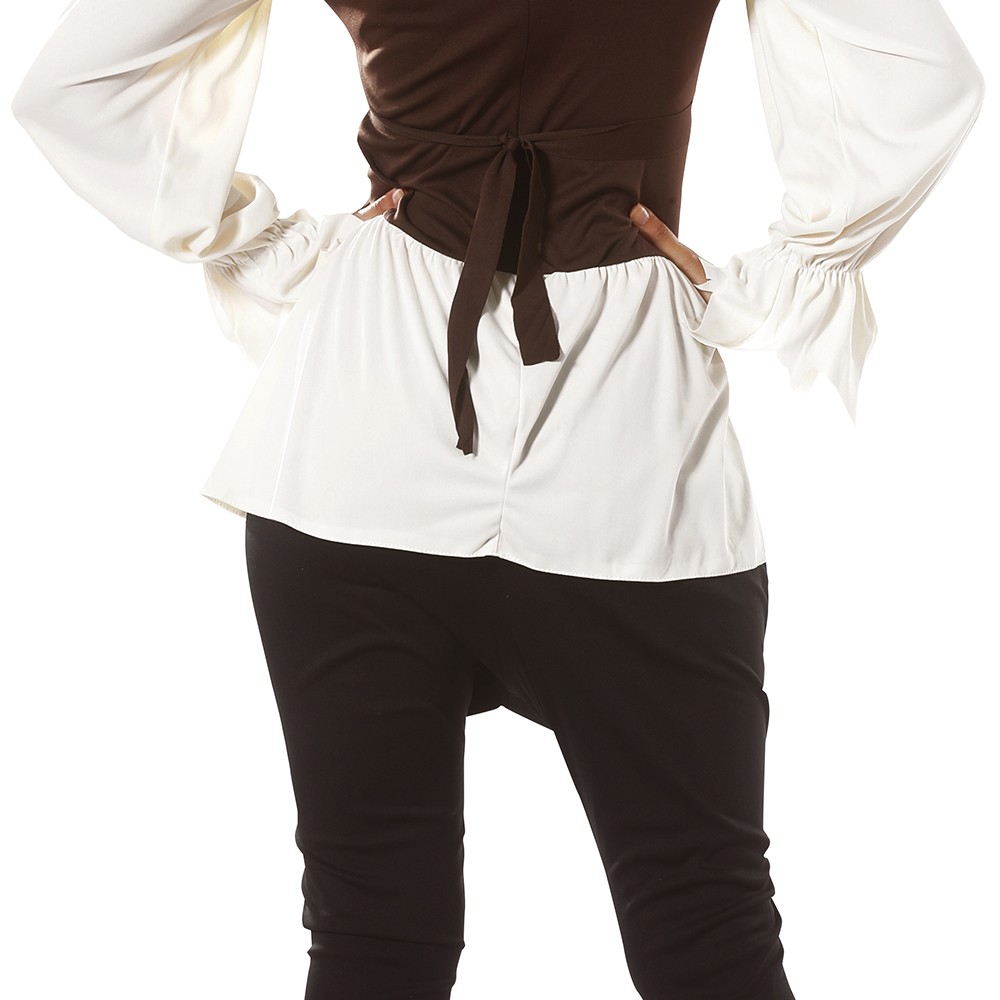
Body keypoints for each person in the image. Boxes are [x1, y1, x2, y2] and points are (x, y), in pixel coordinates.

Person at [11, 1, 985, 998]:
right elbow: (927, 79)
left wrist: (269, 248)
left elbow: (74, 88)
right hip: (628, 454)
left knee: (373, 939)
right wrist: (778, 278)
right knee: (708, 932)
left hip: (359, 439)